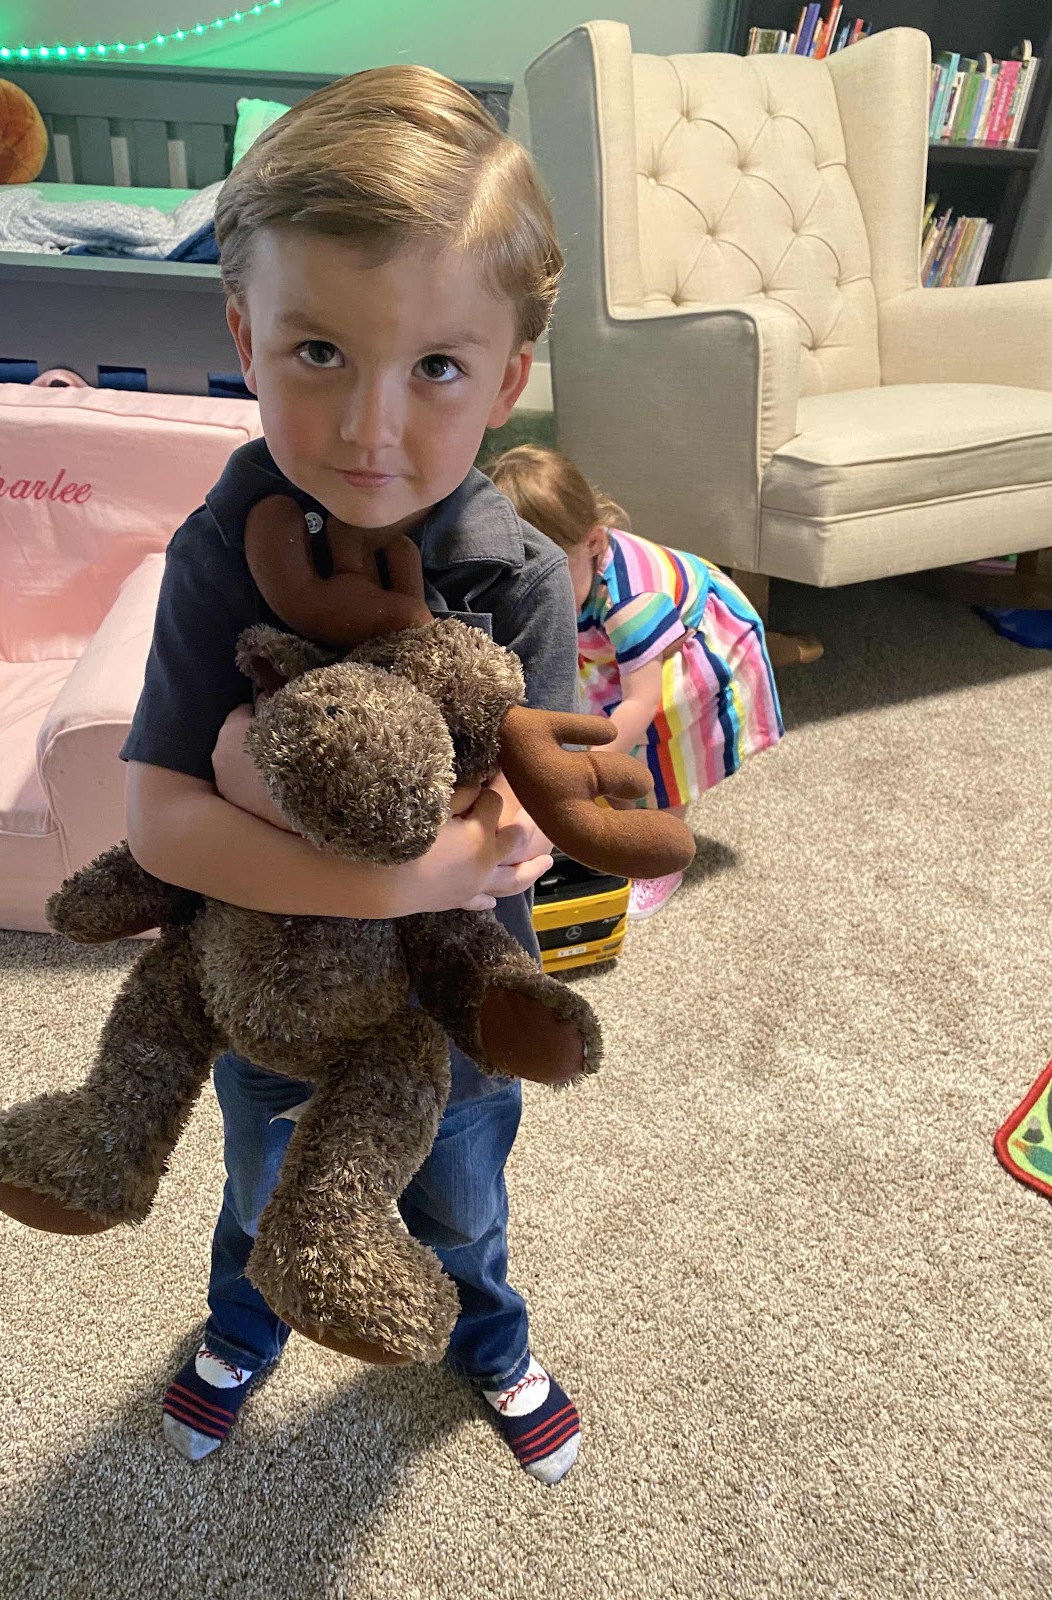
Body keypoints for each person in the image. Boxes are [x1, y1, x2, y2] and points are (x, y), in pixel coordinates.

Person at [119, 67, 584, 1485]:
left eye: (436, 368)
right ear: (244, 334)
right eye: (318, 351)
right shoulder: (220, 551)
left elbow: (525, 830)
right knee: (261, 1189)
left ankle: (490, 1338)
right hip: (271, 994)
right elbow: (157, 823)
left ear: (507, 380)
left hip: (455, 1003)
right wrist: (405, 859)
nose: (371, 428)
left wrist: (256, 784)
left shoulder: (519, 579)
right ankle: (240, 1332)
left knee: (462, 1200)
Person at [487, 445, 783, 919]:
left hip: (686, 646)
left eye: (551, 576)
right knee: (597, 724)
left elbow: (641, 702)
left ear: (593, 542)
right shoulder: (571, 576)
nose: (535, 591)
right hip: (613, 644)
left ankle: (661, 857)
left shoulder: (632, 600)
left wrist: (579, 771)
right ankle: (623, 817)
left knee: (663, 752)